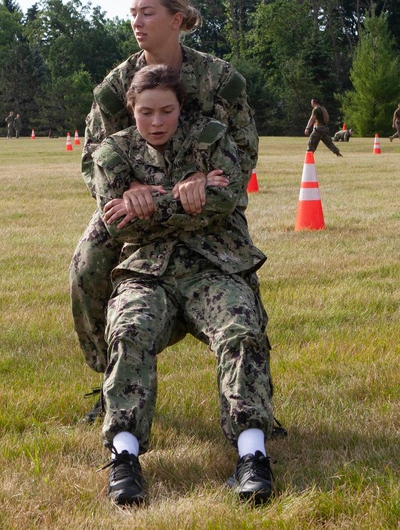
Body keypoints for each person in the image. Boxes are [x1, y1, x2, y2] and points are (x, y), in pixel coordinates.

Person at [71, 0, 259, 420]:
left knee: (239, 277)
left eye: (147, 12)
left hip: (205, 204)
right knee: (85, 267)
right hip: (133, 204)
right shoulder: (119, 84)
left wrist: (203, 182)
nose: (137, 21)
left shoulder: (219, 79)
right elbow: (92, 155)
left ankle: (251, 394)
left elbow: (244, 149)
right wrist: (127, 191)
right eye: (133, 12)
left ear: (177, 20)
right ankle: (110, 380)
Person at [94, 65, 275, 506]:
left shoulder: (211, 138)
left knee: (241, 331)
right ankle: (124, 460)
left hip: (211, 266)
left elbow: (223, 199)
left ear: (181, 106)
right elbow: (117, 225)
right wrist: (181, 195)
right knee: (128, 332)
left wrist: (147, 202)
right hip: (145, 272)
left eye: (167, 111)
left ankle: (253, 456)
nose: (157, 122)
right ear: (131, 110)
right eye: (146, 113)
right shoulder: (112, 152)